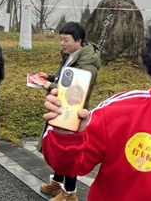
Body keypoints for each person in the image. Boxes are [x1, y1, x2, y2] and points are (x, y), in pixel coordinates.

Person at [41, 10, 151, 200]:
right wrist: (67, 137)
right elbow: (71, 165)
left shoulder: (86, 58)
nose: (62, 43)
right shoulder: (122, 111)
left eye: (66, 39)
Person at [37, 22, 100, 201]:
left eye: (66, 40)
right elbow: (65, 77)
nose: (62, 44)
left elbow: (77, 89)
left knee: (70, 152)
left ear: (79, 40)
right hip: (61, 107)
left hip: (73, 112)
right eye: (60, 40)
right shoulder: (71, 55)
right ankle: (57, 182)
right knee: (60, 149)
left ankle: (70, 193)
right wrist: (49, 77)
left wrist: (51, 86)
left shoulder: (88, 64)